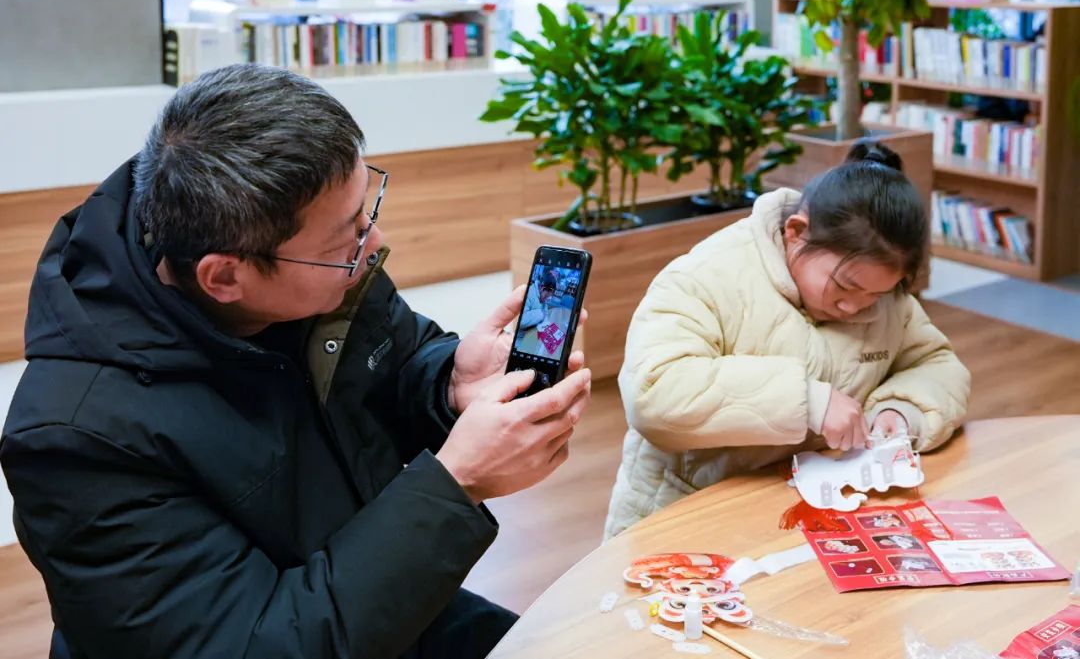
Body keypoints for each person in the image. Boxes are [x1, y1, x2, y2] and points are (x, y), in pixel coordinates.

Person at [0, 64, 591, 659]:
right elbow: (257, 646)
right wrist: (457, 483)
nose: (374, 241)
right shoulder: (75, 442)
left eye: (366, 210)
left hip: (381, 596)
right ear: (225, 277)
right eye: (345, 239)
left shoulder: (316, 272)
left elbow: (398, 364)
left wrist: (449, 385)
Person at [605, 141, 969, 538]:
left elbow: (937, 365)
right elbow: (654, 392)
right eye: (844, 286)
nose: (854, 306)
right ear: (796, 232)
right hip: (681, 516)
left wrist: (901, 412)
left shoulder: (889, 304)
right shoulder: (706, 276)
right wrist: (809, 401)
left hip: (804, 517)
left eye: (875, 295)